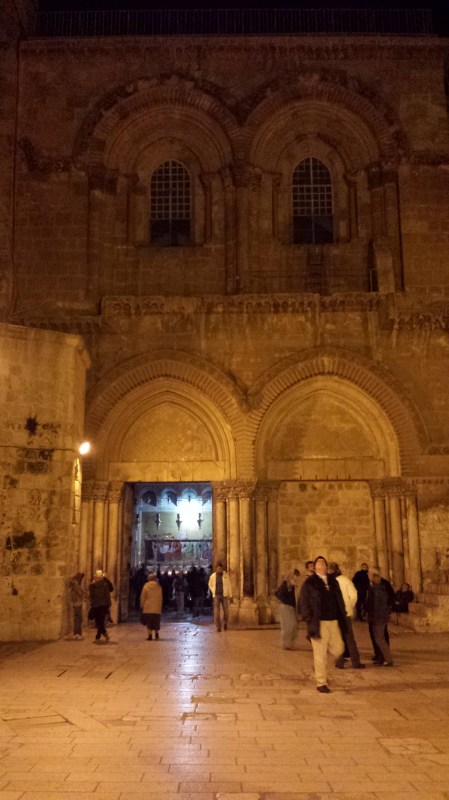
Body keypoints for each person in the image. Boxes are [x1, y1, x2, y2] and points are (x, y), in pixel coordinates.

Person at [299, 555, 346, 693]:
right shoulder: (310, 583)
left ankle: (324, 665)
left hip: (333, 620)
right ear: (315, 567)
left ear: (326, 566)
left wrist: (343, 613)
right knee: (319, 655)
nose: (321, 566)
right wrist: (308, 618)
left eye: (323, 563)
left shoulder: (333, 581)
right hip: (318, 622)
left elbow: (339, 598)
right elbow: (303, 602)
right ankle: (321, 682)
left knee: (339, 649)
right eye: (318, 564)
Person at [328, 562, 365, 669]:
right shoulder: (345, 580)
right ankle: (355, 662)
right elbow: (353, 595)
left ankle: (339, 662)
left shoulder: (329, 581)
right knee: (349, 638)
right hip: (344, 613)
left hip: (334, 613)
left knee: (338, 638)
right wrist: (349, 606)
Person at [367, 564, 395, 664]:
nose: (368, 574)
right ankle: (380, 656)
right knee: (377, 637)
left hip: (378, 616)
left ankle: (386, 658)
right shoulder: (374, 586)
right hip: (376, 616)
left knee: (380, 638)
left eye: (369, 573)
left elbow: (378, 603)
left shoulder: (380, 587)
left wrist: (388, 610)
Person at [275, 568, 300, 650]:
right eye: (296, 576)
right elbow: (278, 594)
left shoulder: (293, 585)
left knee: (292, 625)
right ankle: (286, 643)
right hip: (286, 607)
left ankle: (288, 644)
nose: (296, 578)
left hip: (291, 607)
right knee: (289, 625)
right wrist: (284, 601)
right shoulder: (286, 584)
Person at [208, 562, 232, 632]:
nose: (219, 570)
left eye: (220, 568)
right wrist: (213, 590)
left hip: (224, 595)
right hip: (216, 595)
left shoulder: (226, 575)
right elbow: (210, 584)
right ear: (216, 569)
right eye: (218, 568)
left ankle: (225, 623)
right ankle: (218, 626)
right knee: (216, 612)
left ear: (222, 569)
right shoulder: (213, 576)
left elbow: (229, 585)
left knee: (226, 611)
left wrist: (230, 595)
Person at [89, 569, 111, 643]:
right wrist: (109, 604)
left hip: (100, 605)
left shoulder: (104, 584)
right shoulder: (94, 585)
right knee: (99, 621)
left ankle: (98, 636)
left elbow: (108, 591)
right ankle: (103, 634)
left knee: (100, 621)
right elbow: (92, 595)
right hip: (100, 605)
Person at [140, 572, 163, 640]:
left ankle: (150, 635)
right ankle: (156, 633)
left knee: (149, 622)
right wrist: (160, 606)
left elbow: (143, 597)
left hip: (148, 607)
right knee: (156, 621)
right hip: (156, 608)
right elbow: (160, 597)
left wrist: (141, 605)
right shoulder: (159, 586)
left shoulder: (146, 586)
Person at [68, 571, 84, 640]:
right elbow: (80, 592)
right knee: (78, 619)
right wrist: (83, 591)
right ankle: (77, 633)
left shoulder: (74, 583)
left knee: (77, 619)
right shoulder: (75, 583)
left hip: (76, 602)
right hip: (77, 602)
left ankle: (76, 633)